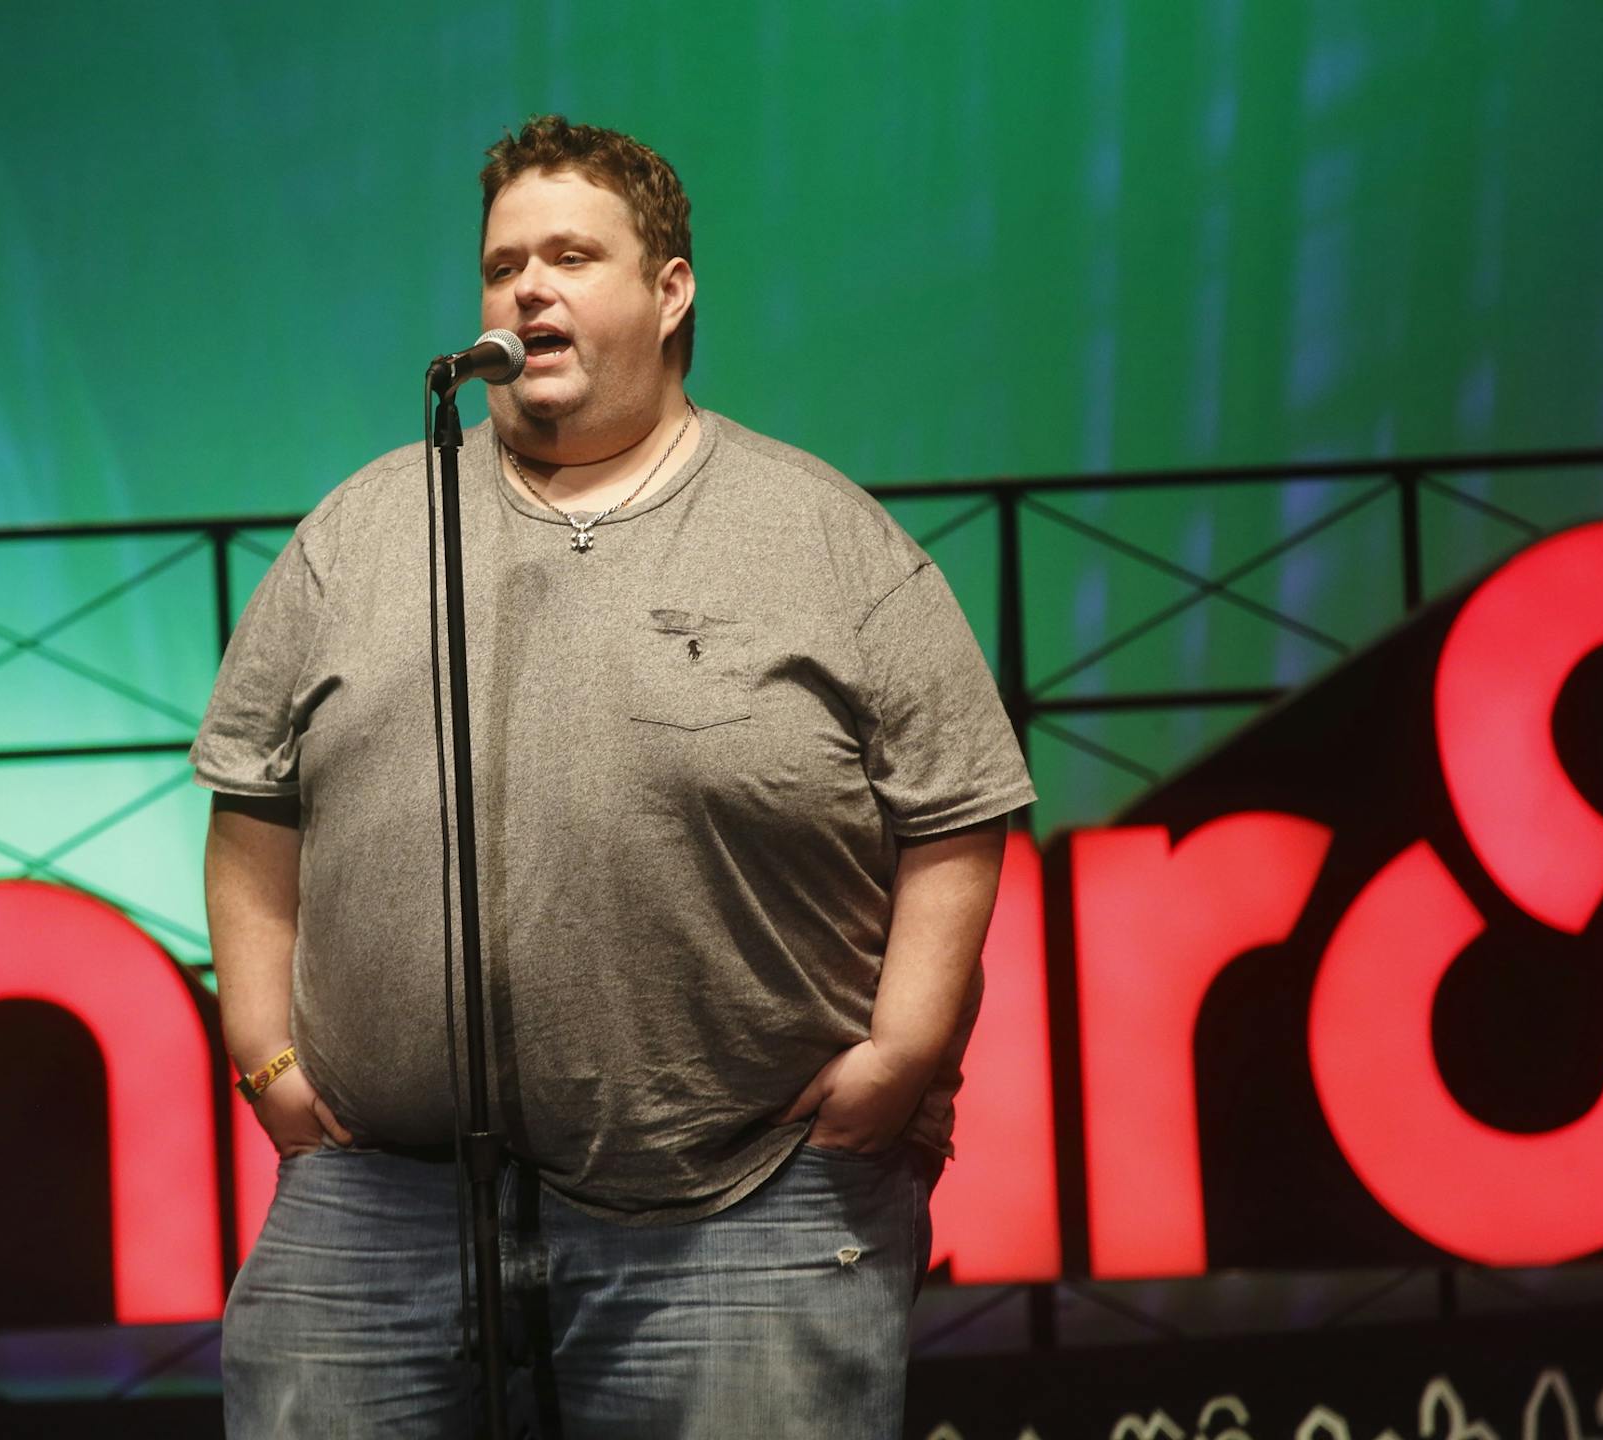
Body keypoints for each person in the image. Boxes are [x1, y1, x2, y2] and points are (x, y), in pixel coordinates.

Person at [193, 115, 1035, 1438]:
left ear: (670, 290)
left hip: (747, 1204)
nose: (527, 289)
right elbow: (253, 808)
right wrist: (265, 1059)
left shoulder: (823, 537)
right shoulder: (360, 532)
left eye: (571, 257)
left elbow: (958, 810)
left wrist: (905, 1052)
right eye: (502, 266)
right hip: (378, 1204)